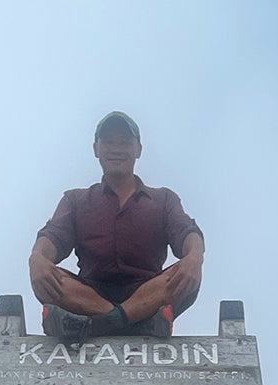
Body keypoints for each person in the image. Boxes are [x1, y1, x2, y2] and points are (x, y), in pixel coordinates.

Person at [29, 112, 204, 340]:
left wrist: (195, 257)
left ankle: (97, 325)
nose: (116, 149)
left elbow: (187, 233)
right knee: (46, 277)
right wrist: (37, 258)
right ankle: (134, 322)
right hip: (89, 294)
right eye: (109, 142)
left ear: (138, 149)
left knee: (188, 274)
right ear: (96, 149)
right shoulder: (76, 200)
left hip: (148, 292)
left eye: (124, 142)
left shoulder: (164, 199)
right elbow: (53, 236)